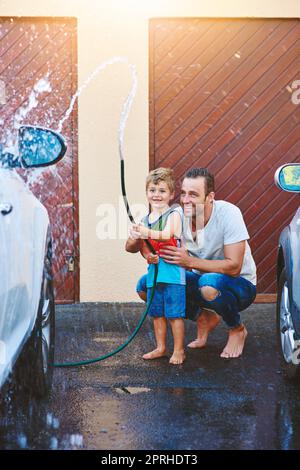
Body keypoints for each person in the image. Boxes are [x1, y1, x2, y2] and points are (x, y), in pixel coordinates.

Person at [129, 167, 257, 359]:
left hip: (240, 285)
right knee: (145, 286)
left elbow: (234, 267)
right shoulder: (178, 216)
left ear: (210, 197)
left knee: (209, 284)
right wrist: (135, 237)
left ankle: (236, 329)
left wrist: (189, 261)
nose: (186, 200)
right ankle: (203, 317)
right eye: (183, 193)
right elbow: (136, 246)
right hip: (200, 280)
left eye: (194, 194)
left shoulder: (229, 213)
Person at [125, 167, 186, 365]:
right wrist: (148, 255)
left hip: (174, 275)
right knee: (157, 314)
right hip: (154, 275)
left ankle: (179, 350)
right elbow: (143, 247)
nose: (157, 195)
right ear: (147, 193)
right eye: (152, 190)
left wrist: (144, 231)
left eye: (162, 190)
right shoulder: (145, 220)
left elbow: (168, 234)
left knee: (174, 315)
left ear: (171, 194)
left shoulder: (175, 213)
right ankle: (161, 347)